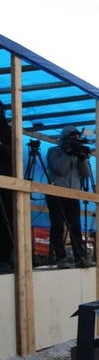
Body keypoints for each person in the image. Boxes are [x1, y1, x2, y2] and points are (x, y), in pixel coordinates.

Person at [45, 125, 94, 269]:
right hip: (57, 194)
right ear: (65, 138)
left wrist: (81, 157)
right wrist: (67, 153)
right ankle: (61, 258)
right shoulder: (54, 151)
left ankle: (80, 257)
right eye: (73, 139)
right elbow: (60, 170)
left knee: (76, 228)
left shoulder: (76, 154)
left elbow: (85, 174)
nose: (76, 142)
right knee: (58, 226)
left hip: (73, 195)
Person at [0, 100, 13, 272]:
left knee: (4, 220)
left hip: (5, 181)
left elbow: (12, 155)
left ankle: (4, 257)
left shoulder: (8, 130)